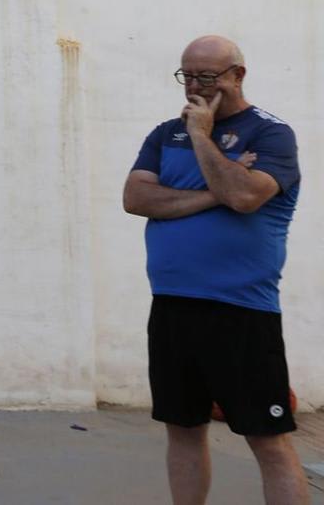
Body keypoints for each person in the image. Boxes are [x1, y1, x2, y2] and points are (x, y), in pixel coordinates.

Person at [123, 35, 309, 505]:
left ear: (237, 76)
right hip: (172, 306)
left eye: (207, 76)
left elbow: (246, 197)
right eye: (187, 75)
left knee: (267, 438)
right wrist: (214, 193)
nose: (195, 87)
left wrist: (204, 137)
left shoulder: (270, 134)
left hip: (241, 311)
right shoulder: (166, 134)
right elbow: (137, 199)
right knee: (182, 430)